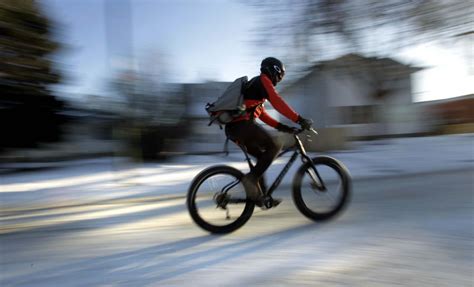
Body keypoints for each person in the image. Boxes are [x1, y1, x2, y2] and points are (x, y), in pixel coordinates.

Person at [225, 57, 313, 206]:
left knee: (262, 158)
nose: (280, 79)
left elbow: (263, 116)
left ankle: (260, 197)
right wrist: (299, 119)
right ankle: (250, 180)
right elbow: (277, 101)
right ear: (274, 70)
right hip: (241, 126)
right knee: (275, 146)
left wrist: (284, 127)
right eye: (280, 75)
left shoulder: (256, 88)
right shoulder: (263, 80)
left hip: (235, 129)